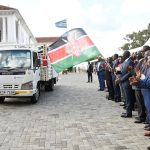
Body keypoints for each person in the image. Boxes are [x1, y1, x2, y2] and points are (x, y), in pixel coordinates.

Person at [116, 51, 135, 118]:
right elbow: (122, 71)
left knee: (128, 98)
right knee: (126, 98)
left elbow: (130, 72)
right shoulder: (124, 62)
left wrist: (121, 79)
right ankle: (127, 111)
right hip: (123, 82)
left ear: (127, 55)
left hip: (127, 82)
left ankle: (129, 113)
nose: (122, 55)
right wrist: (118, 76)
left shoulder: (130, 62)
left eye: (124, 54)